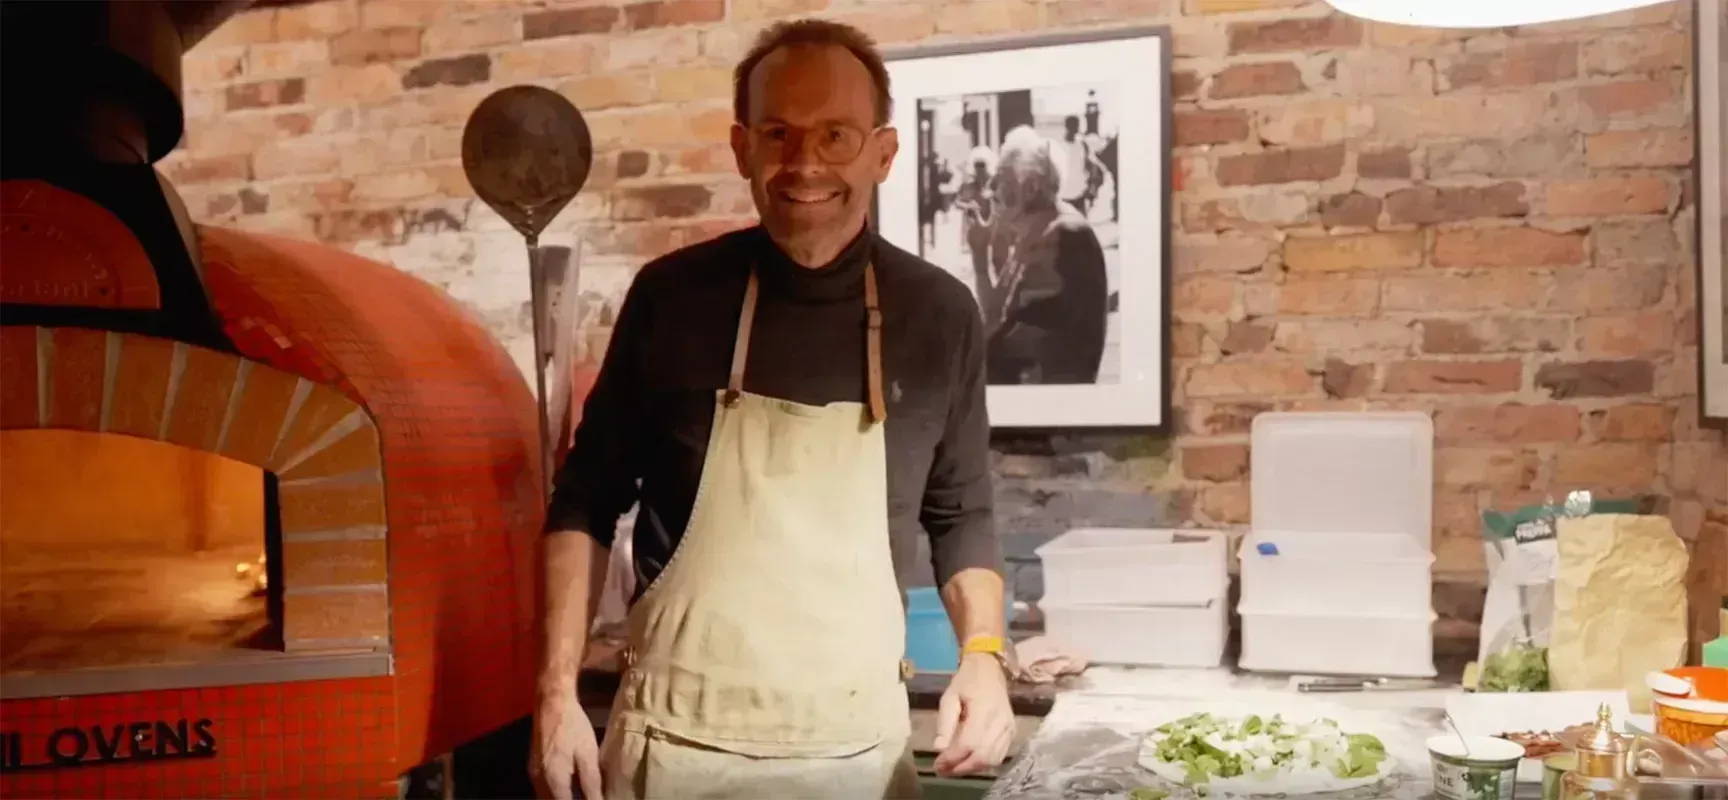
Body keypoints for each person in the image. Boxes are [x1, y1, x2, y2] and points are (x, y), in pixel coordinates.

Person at [529, 18, 1015, 800]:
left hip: (856, 755)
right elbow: (585, 502)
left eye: (835, 136)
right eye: (779, 133)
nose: (804, 164)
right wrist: (554, 694)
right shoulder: (671, 298)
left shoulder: (940, 316)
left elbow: (961, 514)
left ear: (882, 154)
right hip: (674, 748)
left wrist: (983, 656)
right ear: (741, 147)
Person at [985, 125, 1109, 386]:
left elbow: (1005, 341)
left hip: (1047, 409)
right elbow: (994, 323)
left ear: (1029, 188)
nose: (989, 186)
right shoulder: (1033, 235)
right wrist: (980, 255)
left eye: (1000, 178)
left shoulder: (1062, 235)